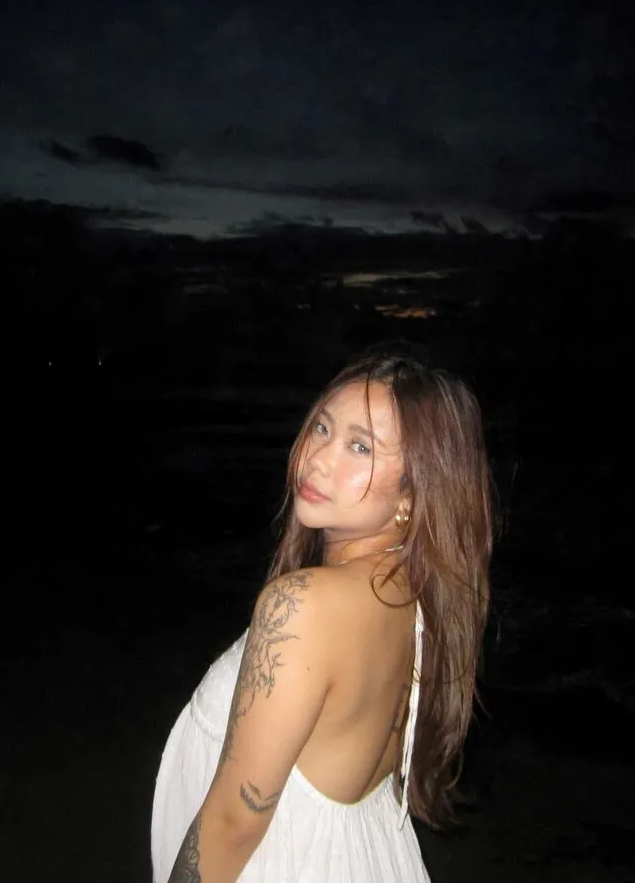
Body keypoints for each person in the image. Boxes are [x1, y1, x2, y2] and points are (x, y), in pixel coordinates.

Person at [150, 344, 495, 882]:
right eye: (322, 427)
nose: (318, 458)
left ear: (413, 492)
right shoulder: (416, 595)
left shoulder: (304, 607)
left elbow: (233, 824)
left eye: (361, 446)